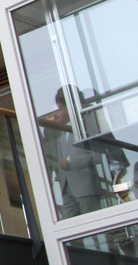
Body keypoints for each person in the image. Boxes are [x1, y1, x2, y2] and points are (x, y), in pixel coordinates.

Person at [41, 86, 123, 218]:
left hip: (85, 187)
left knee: (92, 221)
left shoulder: (86, 123)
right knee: (68, 223)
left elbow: (97, 155)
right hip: (66, 188)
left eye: (57, 110)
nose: (54, 115)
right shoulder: (58, 133)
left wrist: (70, 161)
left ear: (68, 108)